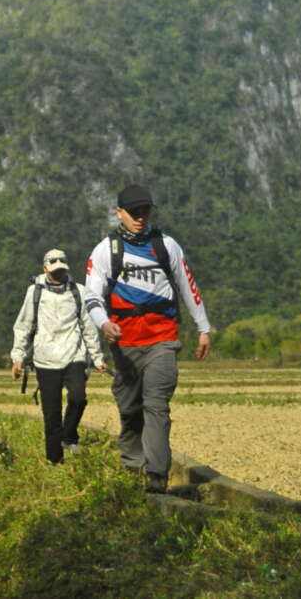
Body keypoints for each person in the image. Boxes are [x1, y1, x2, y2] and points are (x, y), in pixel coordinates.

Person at [84, 184, 212, 493]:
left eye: (145, 211)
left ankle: (156, 477)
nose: (140, 218)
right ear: (119, 213)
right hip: (125, 345)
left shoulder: (166, 245)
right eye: (134, 213)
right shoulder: (106, 250)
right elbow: (92, 295)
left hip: (162, 340)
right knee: (130, 410)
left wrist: (203, 328)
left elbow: (187, 285)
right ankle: (132, 467)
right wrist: (104, 324)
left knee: (156, 406)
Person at [10, 248, 107, 465]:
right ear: (45, 269)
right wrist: (18, 357)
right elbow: (24, 326)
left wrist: (98, 358)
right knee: (51, 414)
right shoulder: (34, 292)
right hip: (45, 359)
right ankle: (55, 462)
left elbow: (89, 327)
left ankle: (69, 435)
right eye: (54, 270)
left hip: (74, 355)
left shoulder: (79, 291)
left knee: (78, 398)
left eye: (62, 270)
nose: (58, 274)